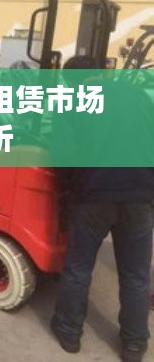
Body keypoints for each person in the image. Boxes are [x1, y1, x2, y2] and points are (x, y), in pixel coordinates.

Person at [50, 55, 154, 362]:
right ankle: (134, 343)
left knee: (79, 268)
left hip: (93, 197)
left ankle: (69, 332)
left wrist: (68, 188)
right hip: (140, 197)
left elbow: (63, 156)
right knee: (136, 275)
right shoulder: (137, 95)